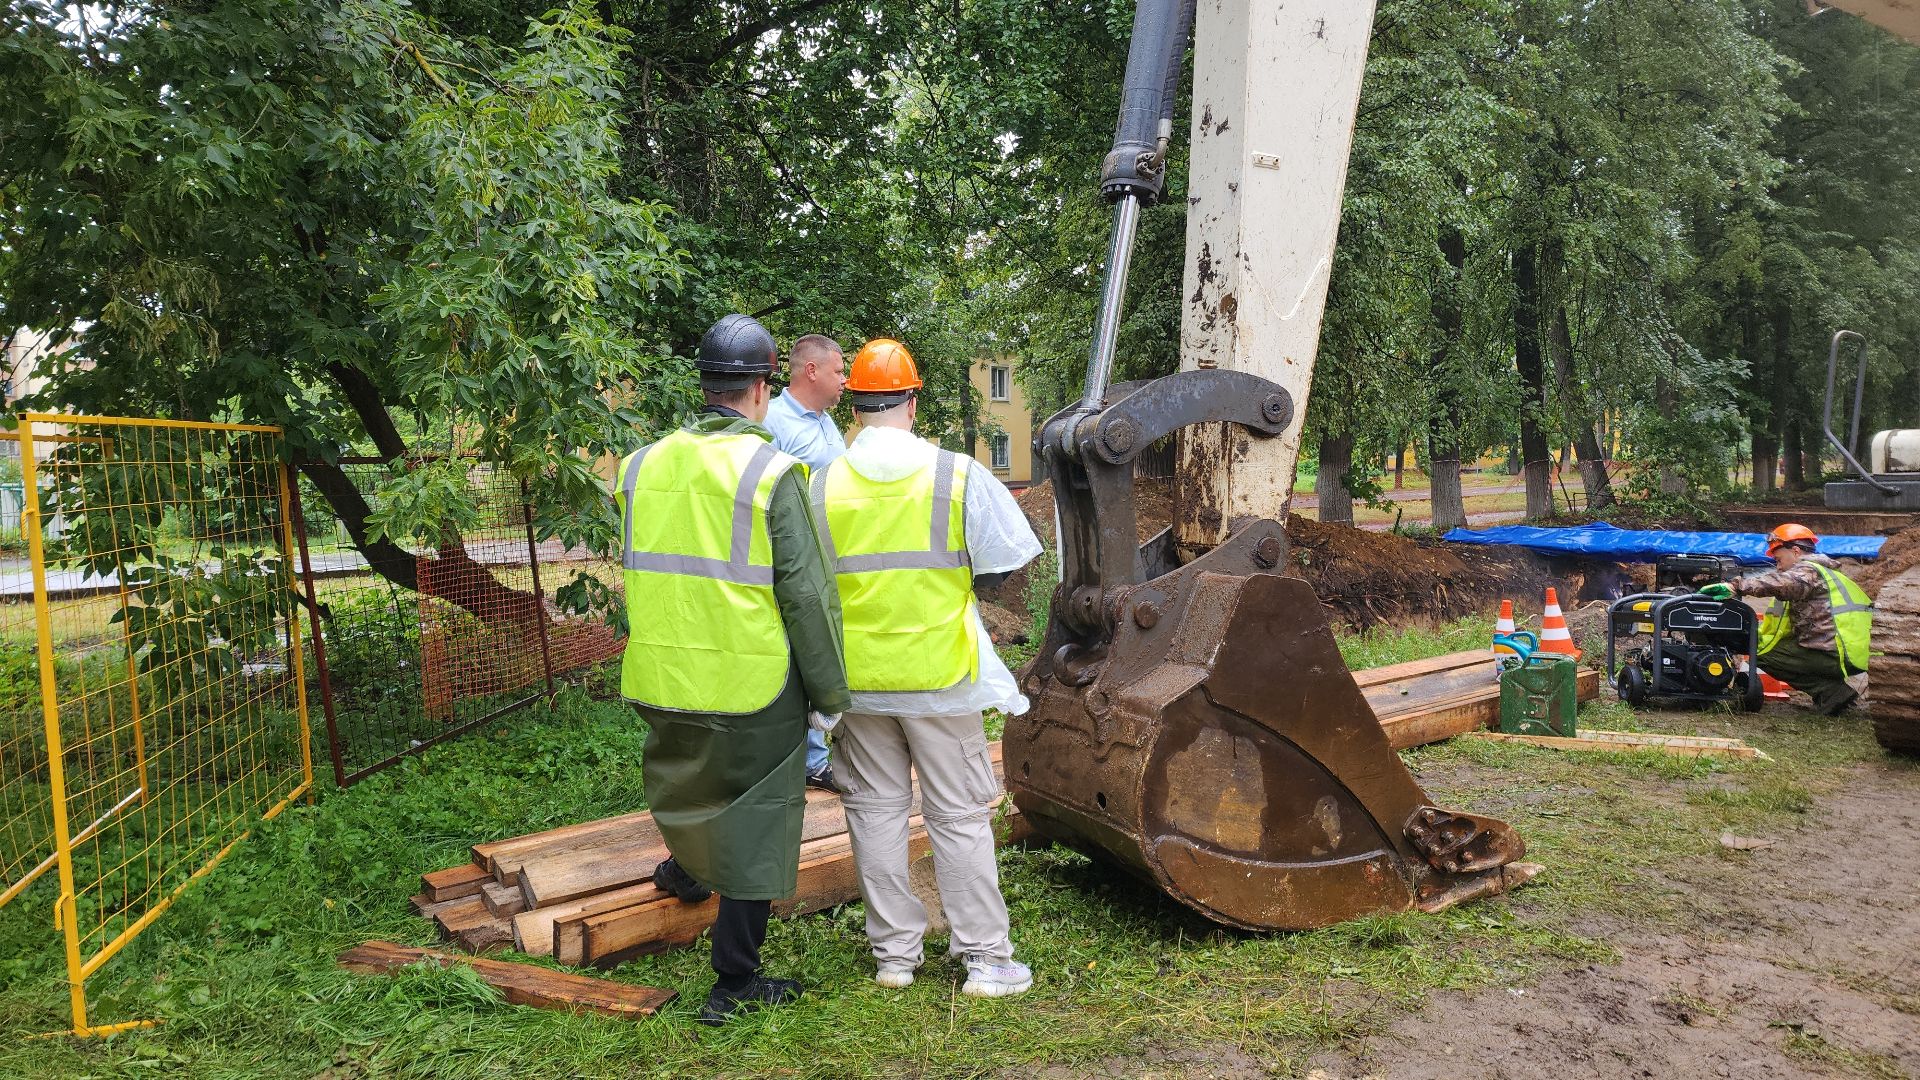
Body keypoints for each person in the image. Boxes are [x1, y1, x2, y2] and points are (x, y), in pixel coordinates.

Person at [612, 313, 851, 1025]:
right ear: (761, 388)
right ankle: (734, 982)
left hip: (662, 672)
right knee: (755, 819)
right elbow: (807, 596)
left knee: (689, 778)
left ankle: (684, 871)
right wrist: (830, 692)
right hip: (751, 682)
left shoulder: (642, 465)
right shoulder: (773, 472)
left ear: (705, 384)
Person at [809, 337, 1042, 998]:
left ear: (854, 406)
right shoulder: (954, 475)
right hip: (940, 677)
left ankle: (894, 959)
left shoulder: (823, 483)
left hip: (859, 684)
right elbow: (1007, 558)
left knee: (874, 813)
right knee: (959, 816)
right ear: (912, 402)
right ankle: (986, 961)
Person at [763, 333, 850, 793]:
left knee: (819, 648)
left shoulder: (826, 424)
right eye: (838, 371)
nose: (845, 380)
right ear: (811, 371)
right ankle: (807, 759)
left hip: (829, 558)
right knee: (798, 652)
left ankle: (816, 753)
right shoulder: (774, 421)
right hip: (794, 561)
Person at [1704, 523, 1871, 715]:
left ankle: (1831, 692)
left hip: (1834, 654)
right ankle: (1833, 692)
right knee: (1767, 645)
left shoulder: (1809, 571)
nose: (1777, 564)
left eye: (1778, 558)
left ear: (1796, 551)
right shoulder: (1826, 573)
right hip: (1846, 652)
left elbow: (1782, 583)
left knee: (1759, 652)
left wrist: (1736, 586)